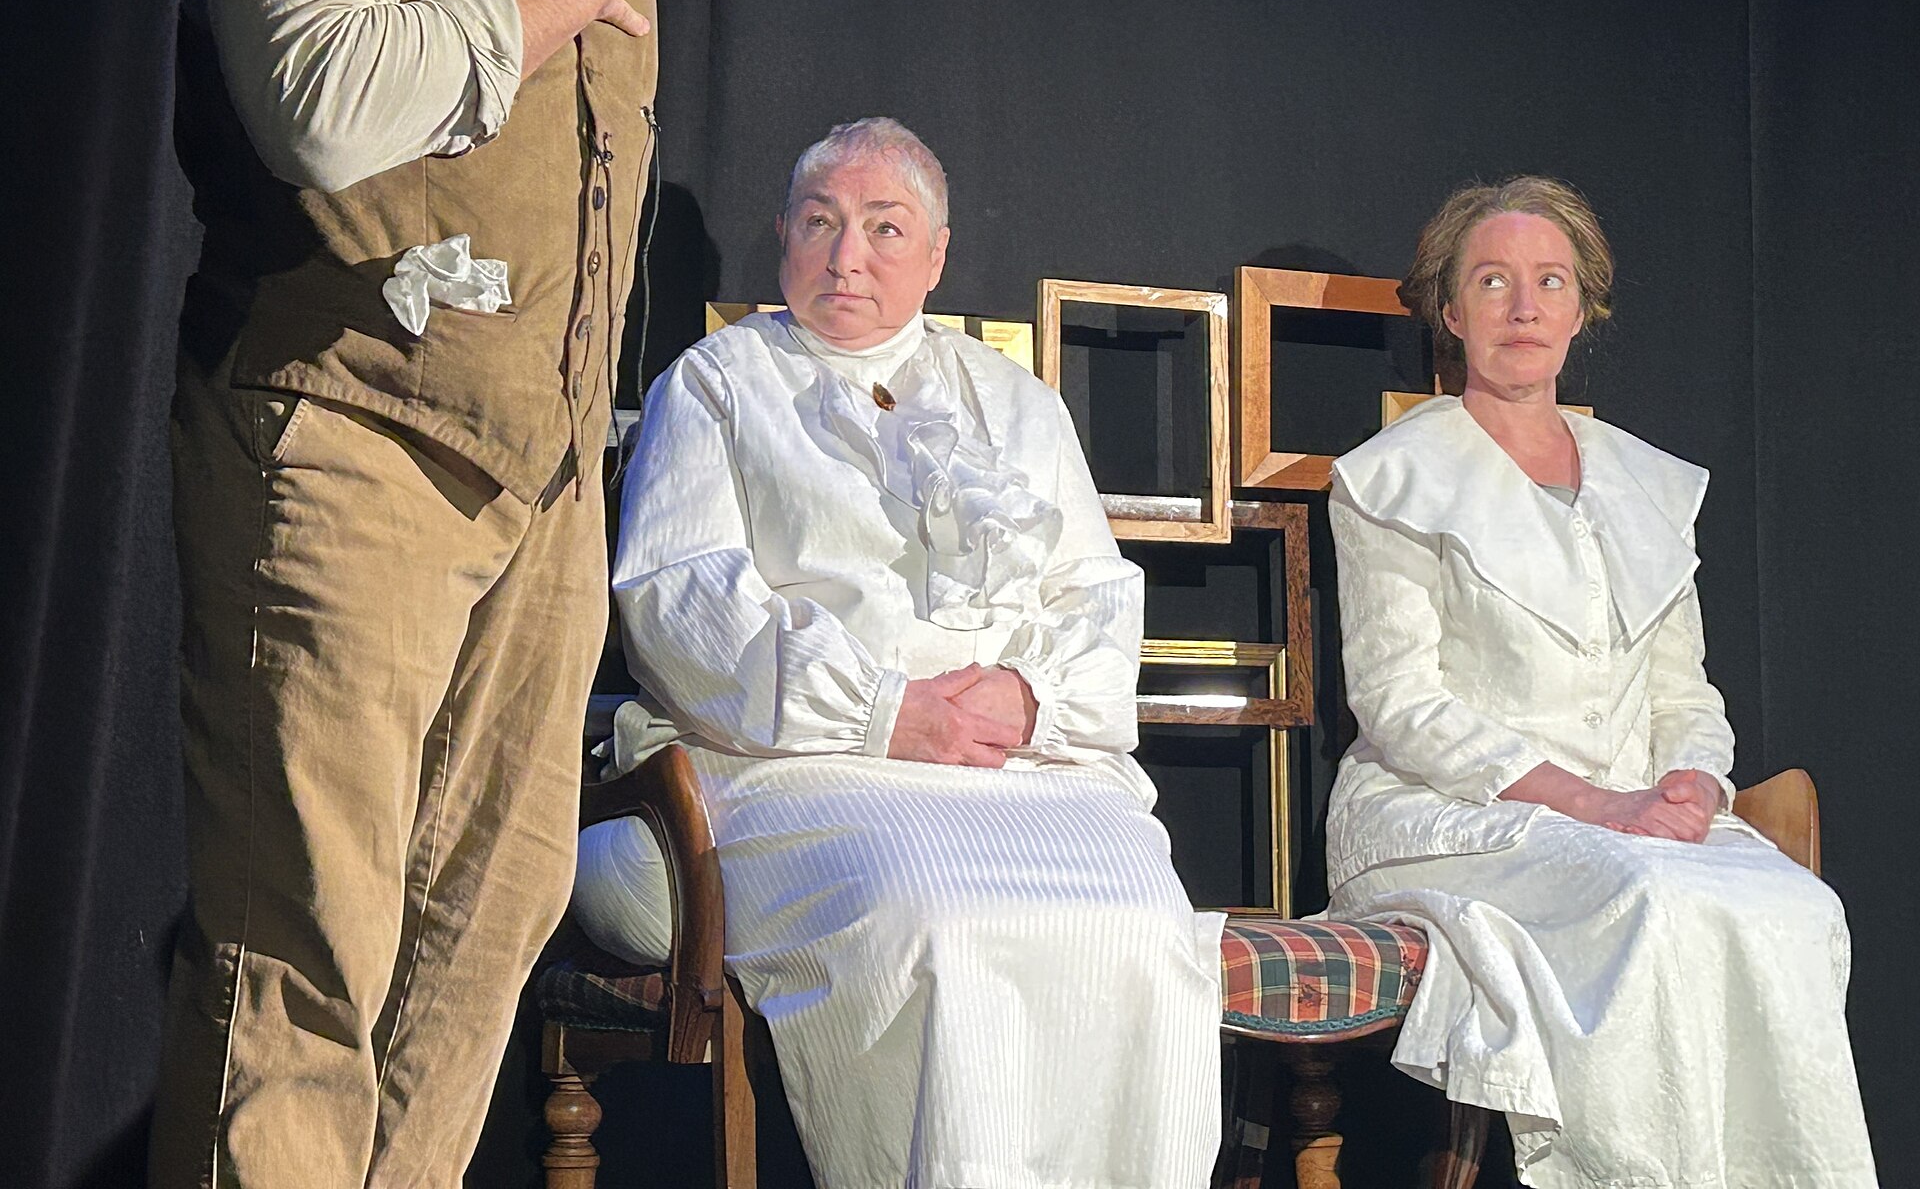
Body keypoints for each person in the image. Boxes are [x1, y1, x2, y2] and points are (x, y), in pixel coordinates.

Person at [153, 0, 663, 1188]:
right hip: (349, 429)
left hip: (543, 475)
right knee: (307, 953)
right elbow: (320, 101)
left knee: (477, 949)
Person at [571, 117, 1223, 1189]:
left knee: (1142, 930)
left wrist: (1027, 697)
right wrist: (882, 710)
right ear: (781, 234)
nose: (848, 257)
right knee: (937, 918)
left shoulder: (1015, 402)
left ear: (938, 254)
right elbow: (682, 600)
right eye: (821, 224)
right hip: (793, 765)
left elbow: (1096, 595)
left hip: (1025, 772)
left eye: (885, 228)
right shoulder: (721, 384)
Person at [1324, 177, 1877, 1188]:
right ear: (1452, 311)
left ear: (1583, 309)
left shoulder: (1646, 484)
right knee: (1641, 901)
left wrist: (1693, 786)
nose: (1523, 307)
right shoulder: (1389, 478)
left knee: (1800, 913)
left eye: (1549, 282)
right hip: (1447, 811)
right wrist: (1595, 803)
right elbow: (1401, 703)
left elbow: (1685, 694)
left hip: (1637, 816)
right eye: (1493, 282)